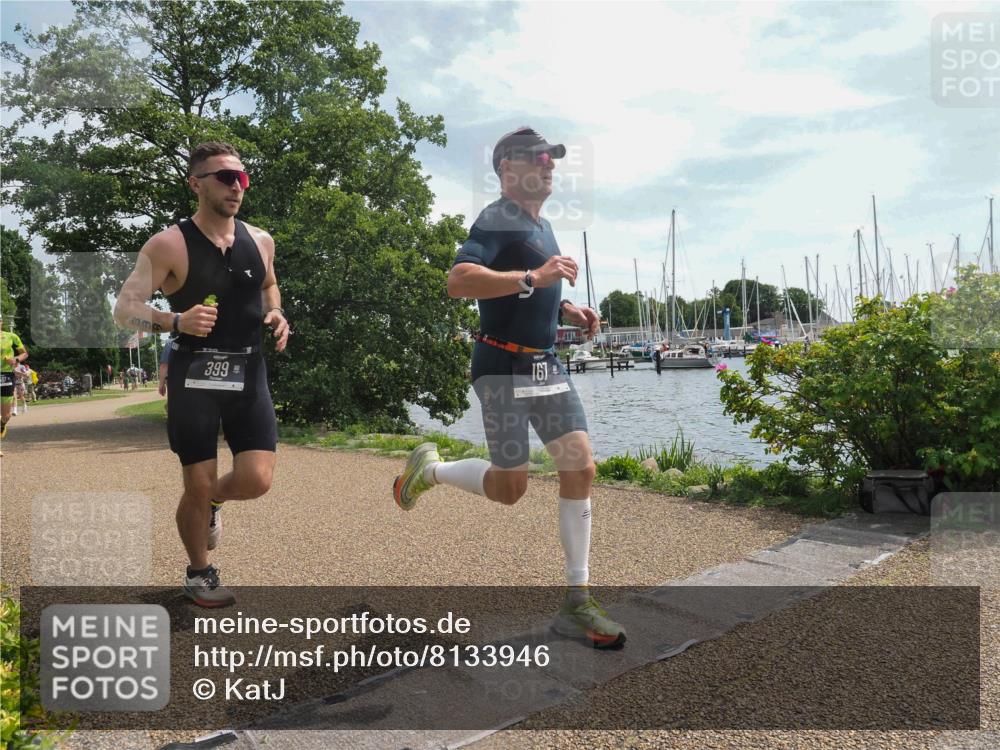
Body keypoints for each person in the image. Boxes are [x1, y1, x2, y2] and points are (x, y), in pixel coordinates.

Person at [393, 127, 625, 648]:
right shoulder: (496, 217)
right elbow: (459, 280)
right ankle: (430, 470)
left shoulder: (544, 226)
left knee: (580, 467)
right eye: (539, 157)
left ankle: (577, 602)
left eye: (553, 158)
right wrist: (533, 277)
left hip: (545, 364)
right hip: (501, 365)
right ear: (506, 168)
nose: (550, 165)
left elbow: (534, 289)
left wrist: (569, 309)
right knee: (509, 489)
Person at [114, 141, 289, 608]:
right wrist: (174, 320)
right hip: (194, 376)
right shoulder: (167, 244)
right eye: (225, 177)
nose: (237, 186)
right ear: (196, 184)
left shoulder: (262, 240)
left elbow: (270, 285)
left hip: (248, 371)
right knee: (197, 481)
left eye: (242, 177)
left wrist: (277, 313)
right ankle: (199, 572)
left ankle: (214, 501)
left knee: (256, 480)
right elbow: (125, 309)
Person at [1, 313, 29, 442]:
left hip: (6, 376)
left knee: (6, 415)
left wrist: (15, 359)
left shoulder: (11, 336)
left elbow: (24, 353)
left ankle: (2, 425)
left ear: (1, 322)